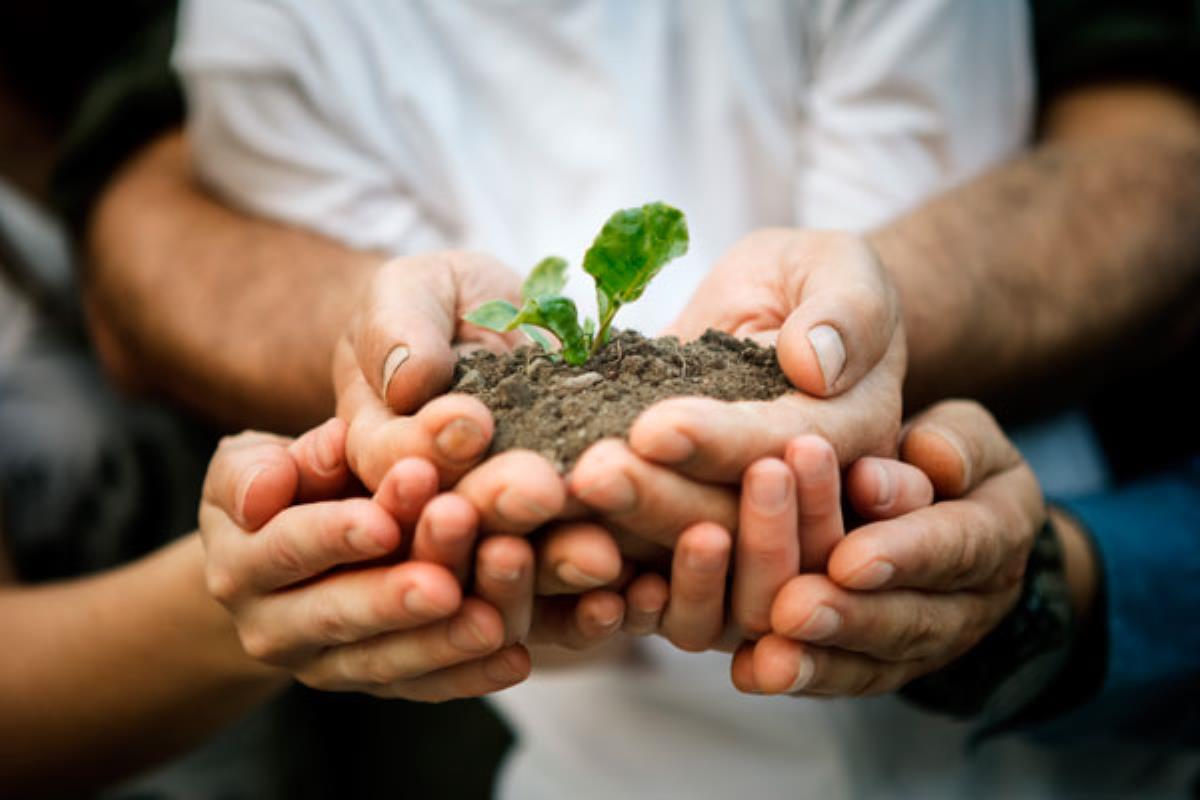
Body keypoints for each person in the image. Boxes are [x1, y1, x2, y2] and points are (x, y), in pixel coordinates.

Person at [67, 0, 1200, 797]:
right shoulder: (262, 33)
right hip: (616, 766)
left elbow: (1152, 160)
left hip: (1068, 727)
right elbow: (141, 215)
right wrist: (402, 378)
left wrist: (870, 318)